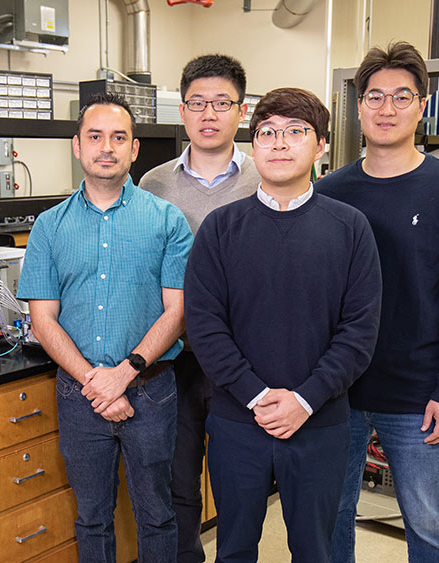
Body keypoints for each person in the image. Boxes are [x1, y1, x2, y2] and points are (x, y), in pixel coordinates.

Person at [184, 87, 383, 563]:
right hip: (237, 422)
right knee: (233, 549)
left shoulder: (351, 228)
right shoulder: (220, 228)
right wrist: (256, 396)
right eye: (268, 132)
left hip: (320, 423)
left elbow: (359, 333)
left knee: (316, 551)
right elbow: (206, 326)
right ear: (254, 146)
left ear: (320, 147)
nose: (279, 143)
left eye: (296, 132)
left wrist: (304, 400)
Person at [315, 41, 439, 563]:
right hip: (337, 389)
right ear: (358, 105)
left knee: (430, 528)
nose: (386, 108)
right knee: (331, 518)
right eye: (374, 96)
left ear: (422, 105)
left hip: (418, 393)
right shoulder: (331, 190)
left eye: (401, 96)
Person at [16, 92, 193, 563]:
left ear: (134, 149)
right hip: (79, 394)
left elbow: (177, 312)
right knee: (92, 517)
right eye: (95, 137)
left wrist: (123, 374)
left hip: (151, 391)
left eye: (119, 137)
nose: (106, 147)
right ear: (77, 146)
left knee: (157, 513)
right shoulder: (50, 227)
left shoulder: (166, 220)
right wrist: (95, 382)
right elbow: (42, 318)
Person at [139, 53, 259, 563]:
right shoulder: (152, 183)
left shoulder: (266, 175)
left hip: (243, 355)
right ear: (182, 111)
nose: (209, 113)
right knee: (178, 477)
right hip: (176, 354)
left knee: (240, 481)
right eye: (197, 103)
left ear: (242, 110)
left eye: (221, 103)